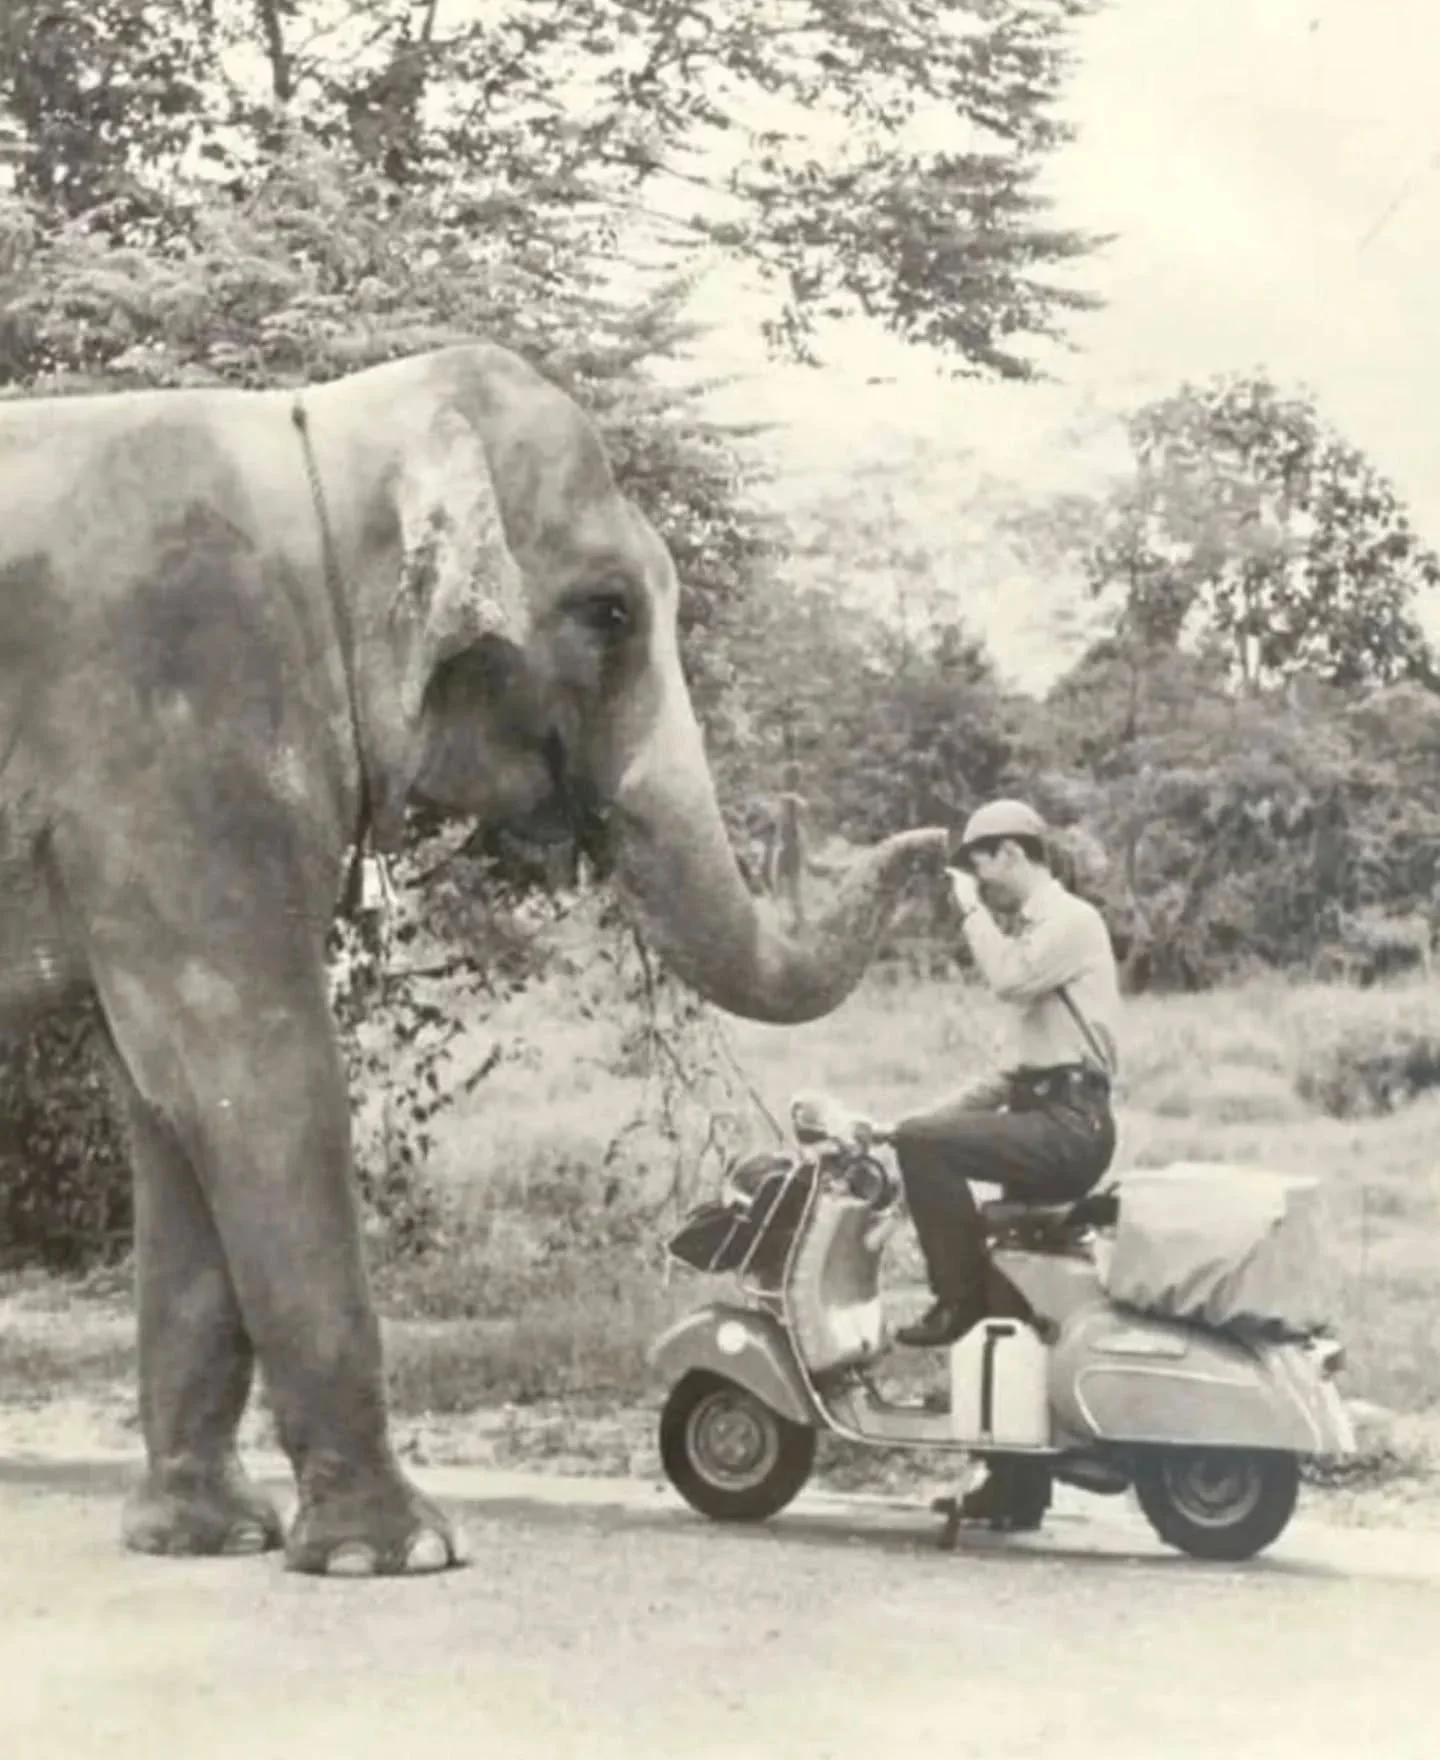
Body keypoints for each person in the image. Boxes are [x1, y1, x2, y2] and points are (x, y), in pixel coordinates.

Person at [889, 798, 1121, 1529]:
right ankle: (1016, 1489)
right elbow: (1008, 1074)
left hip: (1069, 1126)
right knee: (1009, 1296)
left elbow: (1007, 980)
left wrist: (966, 913)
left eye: (981, 865)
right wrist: (918, 1123)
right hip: (1042, 1113)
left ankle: (950, 1296)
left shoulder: (1067, 924)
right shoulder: (1033, 934)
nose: (979, 882)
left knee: (929, 1158)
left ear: (1014, 854)